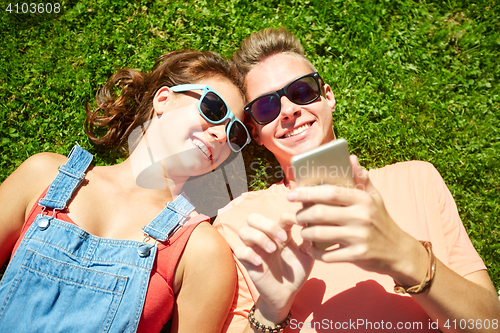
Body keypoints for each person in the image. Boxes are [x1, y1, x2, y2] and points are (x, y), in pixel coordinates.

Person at [214, 28, 500, 332]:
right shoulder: (238, 223)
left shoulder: (418, 180)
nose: (288, 110)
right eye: (266, 107)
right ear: (256, 133)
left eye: (301, 92)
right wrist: (270, 311)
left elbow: (490, 324)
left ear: (328, 96)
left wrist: (405, 256)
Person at [0, 49, 251, 332]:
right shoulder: (43, 175)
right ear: (164, 100)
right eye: (214, 109)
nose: (221, 134)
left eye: (235, 133)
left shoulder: (202, 251)